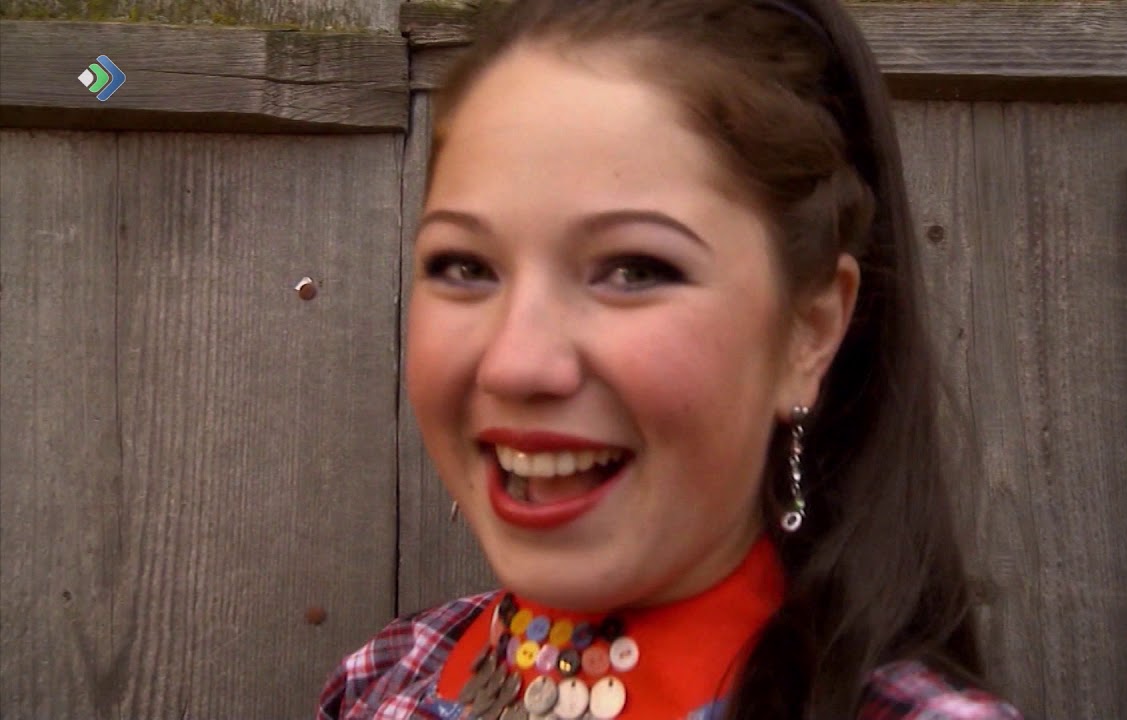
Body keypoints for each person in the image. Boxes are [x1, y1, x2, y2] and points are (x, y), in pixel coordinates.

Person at [319, 0, 1023, 718]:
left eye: (635, 271)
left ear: (808, 332)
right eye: (465, 266)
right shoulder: (389, 674)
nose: (515, 364)